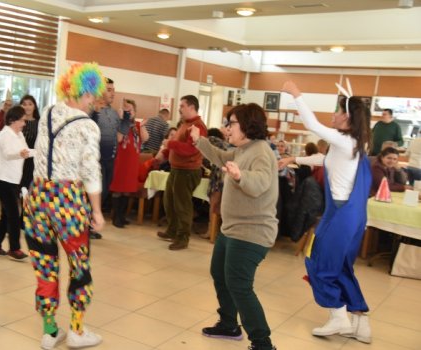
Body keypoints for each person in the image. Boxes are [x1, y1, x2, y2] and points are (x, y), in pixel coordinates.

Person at [282, 80, 373, 344]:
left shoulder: (345, 140)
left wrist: (298, 94)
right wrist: (294, 159)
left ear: (347, 117)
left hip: (342, 215)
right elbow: (326, 160)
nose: (333, 115)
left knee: (320, 264)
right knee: (341, 268)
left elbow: (312, 126)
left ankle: (339, 317)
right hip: (348, 214)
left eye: (337, 111)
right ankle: (360, 323)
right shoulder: (352, 144)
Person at [23, 62, 105, 349]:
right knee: (78, 265)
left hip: (36, 198)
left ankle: (49, 330)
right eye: (92, 98)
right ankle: (77, 331)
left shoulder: (46, 112)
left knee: (45, 264)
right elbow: (90, 171)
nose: (93, 104)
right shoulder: (87, 125)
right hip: (67, 200)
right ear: (85, 93)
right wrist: (96, 210)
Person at [190, 103, 278, 350]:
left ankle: (262, 343)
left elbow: (260, 182)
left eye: (232, 124)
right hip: (232, 229)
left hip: (252, 233)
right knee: (219, 274)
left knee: (239, 286)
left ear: (248, 125)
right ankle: (229, 324)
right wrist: (201, 141)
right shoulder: (243, 149)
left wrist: (241, 176)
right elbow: (220, 157)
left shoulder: (260, 151)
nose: (228, 129)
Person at [156, 95, 207, 250]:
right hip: (177, 168)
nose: (179, 108)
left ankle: (183, 237)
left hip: (188, 171)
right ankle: (172, 230)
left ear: (191, 107)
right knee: (169, 200)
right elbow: (177, 146)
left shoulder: (198, 126)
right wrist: (165, 153)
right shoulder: (185, 124)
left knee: (182, 205)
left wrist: (170, 144)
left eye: (182, 106)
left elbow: (191, 150)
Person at [0, 105, 33, 260]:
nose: (24, 124)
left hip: (13, 180)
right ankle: (14, 248)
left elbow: (26, 151)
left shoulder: (19, 135)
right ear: (13, 120)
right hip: (2, 180)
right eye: (22, 121)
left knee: (6, 215)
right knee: (13, 214)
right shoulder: (4, 135)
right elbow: (7, 155)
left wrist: (38, 152)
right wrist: (19, 154)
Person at [109, 99, 149, 228]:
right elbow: (118, 139)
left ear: (135, 112)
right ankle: (116, 217)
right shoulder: (119, 123)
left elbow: (145, 138)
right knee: (118, 189)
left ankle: (122, 216)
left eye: (131, 110)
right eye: (126, 110)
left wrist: (142, 125)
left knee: (127, 191)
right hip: (120, 161)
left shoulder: (137, 126)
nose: (129, 112)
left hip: (132, 163)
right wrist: (122, 120)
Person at [92, 77, 121, 239]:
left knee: (105, 191)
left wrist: (126, 120)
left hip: (110, 158)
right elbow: (89, 128)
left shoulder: (113, 112)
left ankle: (92, 225)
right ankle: (89, 226)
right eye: (109, 90)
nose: (113, 94)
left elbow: (120, 136)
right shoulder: (92, 109)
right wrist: (95, 113)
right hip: (96, 159)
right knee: (97, 191)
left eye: (113, 91)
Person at [18, 94, 40, 192]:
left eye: (30, 104)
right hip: (18, 159)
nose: (27, 107)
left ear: (34, 106)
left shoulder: (40, 123)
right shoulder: (16, 122)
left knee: (29, 191)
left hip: (33, 162)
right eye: (24, 104)